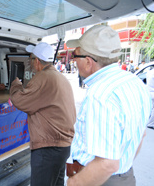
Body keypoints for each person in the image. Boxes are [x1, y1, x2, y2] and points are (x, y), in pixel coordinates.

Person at [65, 25, 152, 186]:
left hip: (98, 179)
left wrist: (74, 183)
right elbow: (141, 135)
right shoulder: (135, 82)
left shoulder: (100, 95)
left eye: (75, 55)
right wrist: (121, 167)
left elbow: (106, 164)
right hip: (125, 176)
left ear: (88, 62)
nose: (74, 61)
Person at [9, 42, 76, 186]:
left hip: (48, 148)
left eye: (31, 59)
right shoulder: (60, 77)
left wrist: (15, 84)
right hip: (62, 146)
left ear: (37, 61)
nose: (31, 63)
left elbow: (20, 100)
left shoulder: (43, 77)